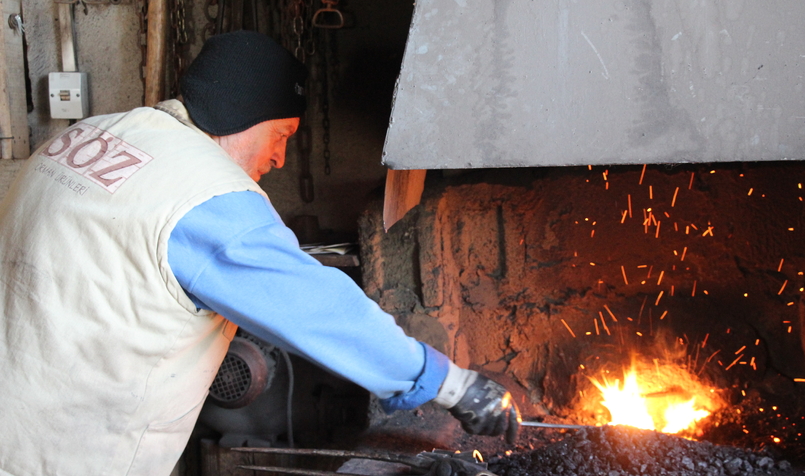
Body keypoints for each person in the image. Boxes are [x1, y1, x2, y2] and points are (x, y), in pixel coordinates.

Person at [0, 30, 518, 476]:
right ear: (244, 114)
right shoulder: (204, 193)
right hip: (64, 453)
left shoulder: (88, 135)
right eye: (282, 133)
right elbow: (318, 310)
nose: (280, 157)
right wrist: (452, 385)